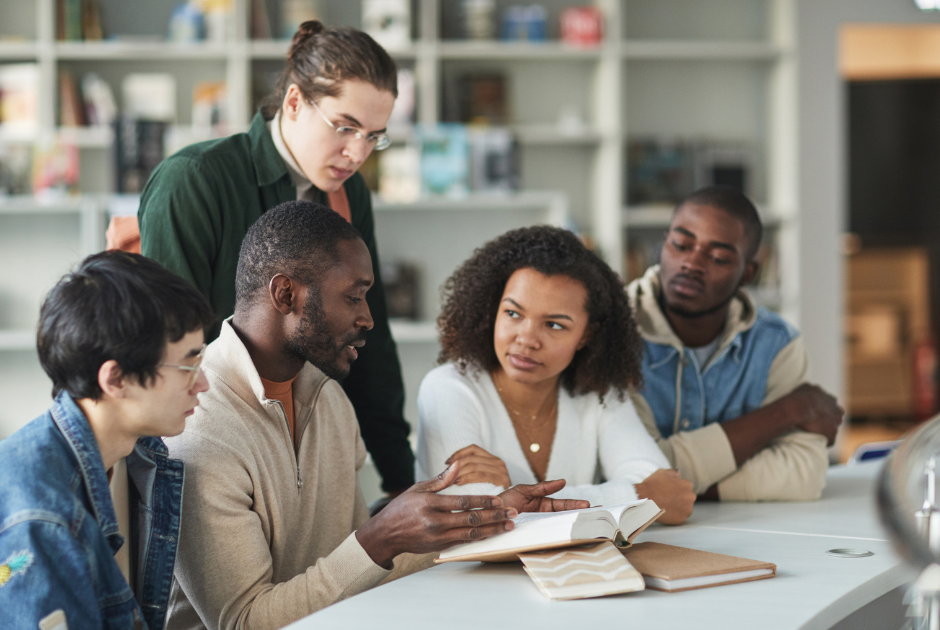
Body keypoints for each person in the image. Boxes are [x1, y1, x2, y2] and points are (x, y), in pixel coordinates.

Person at [164, 202, 588, 629]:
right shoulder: (198, 428)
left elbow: (351, 575)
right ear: (286, 294)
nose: (367, 318)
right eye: (353, 297)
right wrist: (379, 537)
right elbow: (244, 621)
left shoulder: (328, 398)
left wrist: (493, 518)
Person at [138, 20, 413, 497]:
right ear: (292, 102)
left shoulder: (350, 194)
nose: (357, 152)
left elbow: (372, 337)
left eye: (374, 136)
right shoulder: (196, 179)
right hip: (209, 449)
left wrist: (402, 480)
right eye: (345, 127)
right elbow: (170, 350)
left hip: (310, 443)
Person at [415, 226, 696, 525]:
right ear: (492, 308)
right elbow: (479, 520)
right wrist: (633, 494)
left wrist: (514, 494)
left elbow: (670, 498)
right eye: (513, 313)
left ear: (586, 334)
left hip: (577, 571)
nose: (527, 339)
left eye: (554, 325)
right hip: (460, 573)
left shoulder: (597, 393)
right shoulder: (448, 388)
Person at [0, 251, 213, 630]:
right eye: (188, 365)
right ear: (114, 380)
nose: (203, 384)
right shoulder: (38, 517)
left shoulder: (143, 456)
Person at [627, 186, 844, 502]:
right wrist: (789, 410)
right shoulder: (613, 330)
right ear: (664, 243)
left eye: (718, 257)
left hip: (744, 533)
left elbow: (804, 472)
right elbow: (637, 472)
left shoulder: (776, 344)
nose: (691, 263)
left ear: (748, 273)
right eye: (681, 244)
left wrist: (679, 489)